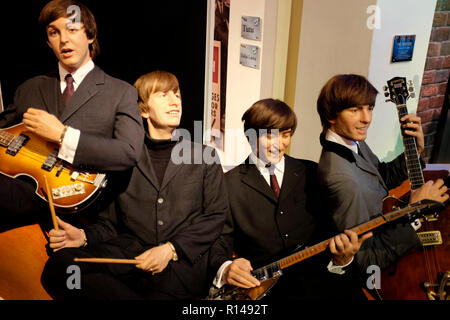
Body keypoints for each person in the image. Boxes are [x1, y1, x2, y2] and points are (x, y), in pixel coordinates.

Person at [41, 70, 228, 300]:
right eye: (163, 95)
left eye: (177, 95)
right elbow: (109, 223)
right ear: (143, 110)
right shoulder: (125, 156)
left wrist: (171, 250)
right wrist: (83, 236)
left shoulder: (204, 156)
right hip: (127, 260)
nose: (174, 101)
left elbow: (216, 216)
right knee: (60, 267)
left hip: (178, 268)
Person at [0, 0, 144, 228]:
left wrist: (63, 135)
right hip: (20, 202)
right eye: (54, 33)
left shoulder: (121, 92)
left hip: (81, 210)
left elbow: (128, 153)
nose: (63, 39)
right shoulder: (28, 88)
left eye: (72, 29)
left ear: (90, 35)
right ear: (48, 42)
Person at [208, 98, 371, 300]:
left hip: (323, 284)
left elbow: (334, 230)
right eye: (270, 136)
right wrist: (226, 267)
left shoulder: (312, 172)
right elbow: (218, 243)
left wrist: (343, 259)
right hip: (265, 292)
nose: (279, 144)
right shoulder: (228, 185)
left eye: (285, 135)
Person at [316, 74, 449, 273]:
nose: (367, 119)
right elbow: (368, 259)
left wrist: (415, 151)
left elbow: (380, 177)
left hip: (392, 230)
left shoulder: (351, 141)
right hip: (384, 268)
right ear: (331, 116)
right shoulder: (345, 182)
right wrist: (414, 211)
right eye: (355, 110)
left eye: (369, 108)